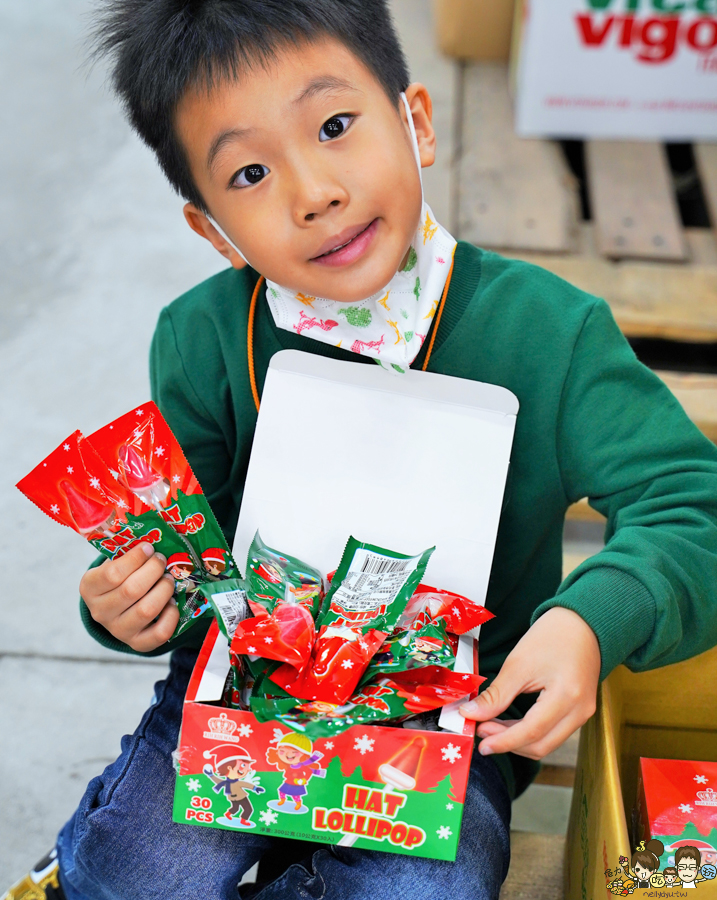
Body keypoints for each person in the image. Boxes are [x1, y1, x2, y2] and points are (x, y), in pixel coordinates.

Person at [5, 0, 717, 898]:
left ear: (415, 121)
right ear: (210, 229)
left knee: (419, 893)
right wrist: (126, 603)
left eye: (335, 125)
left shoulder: (550, 334)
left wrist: (589, 619)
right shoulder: (202, 341)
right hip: (238, 702)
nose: (313, 192)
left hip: (453, 723)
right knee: (139, 875)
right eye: (252, 172)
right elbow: (179, 558)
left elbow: (692, 502)